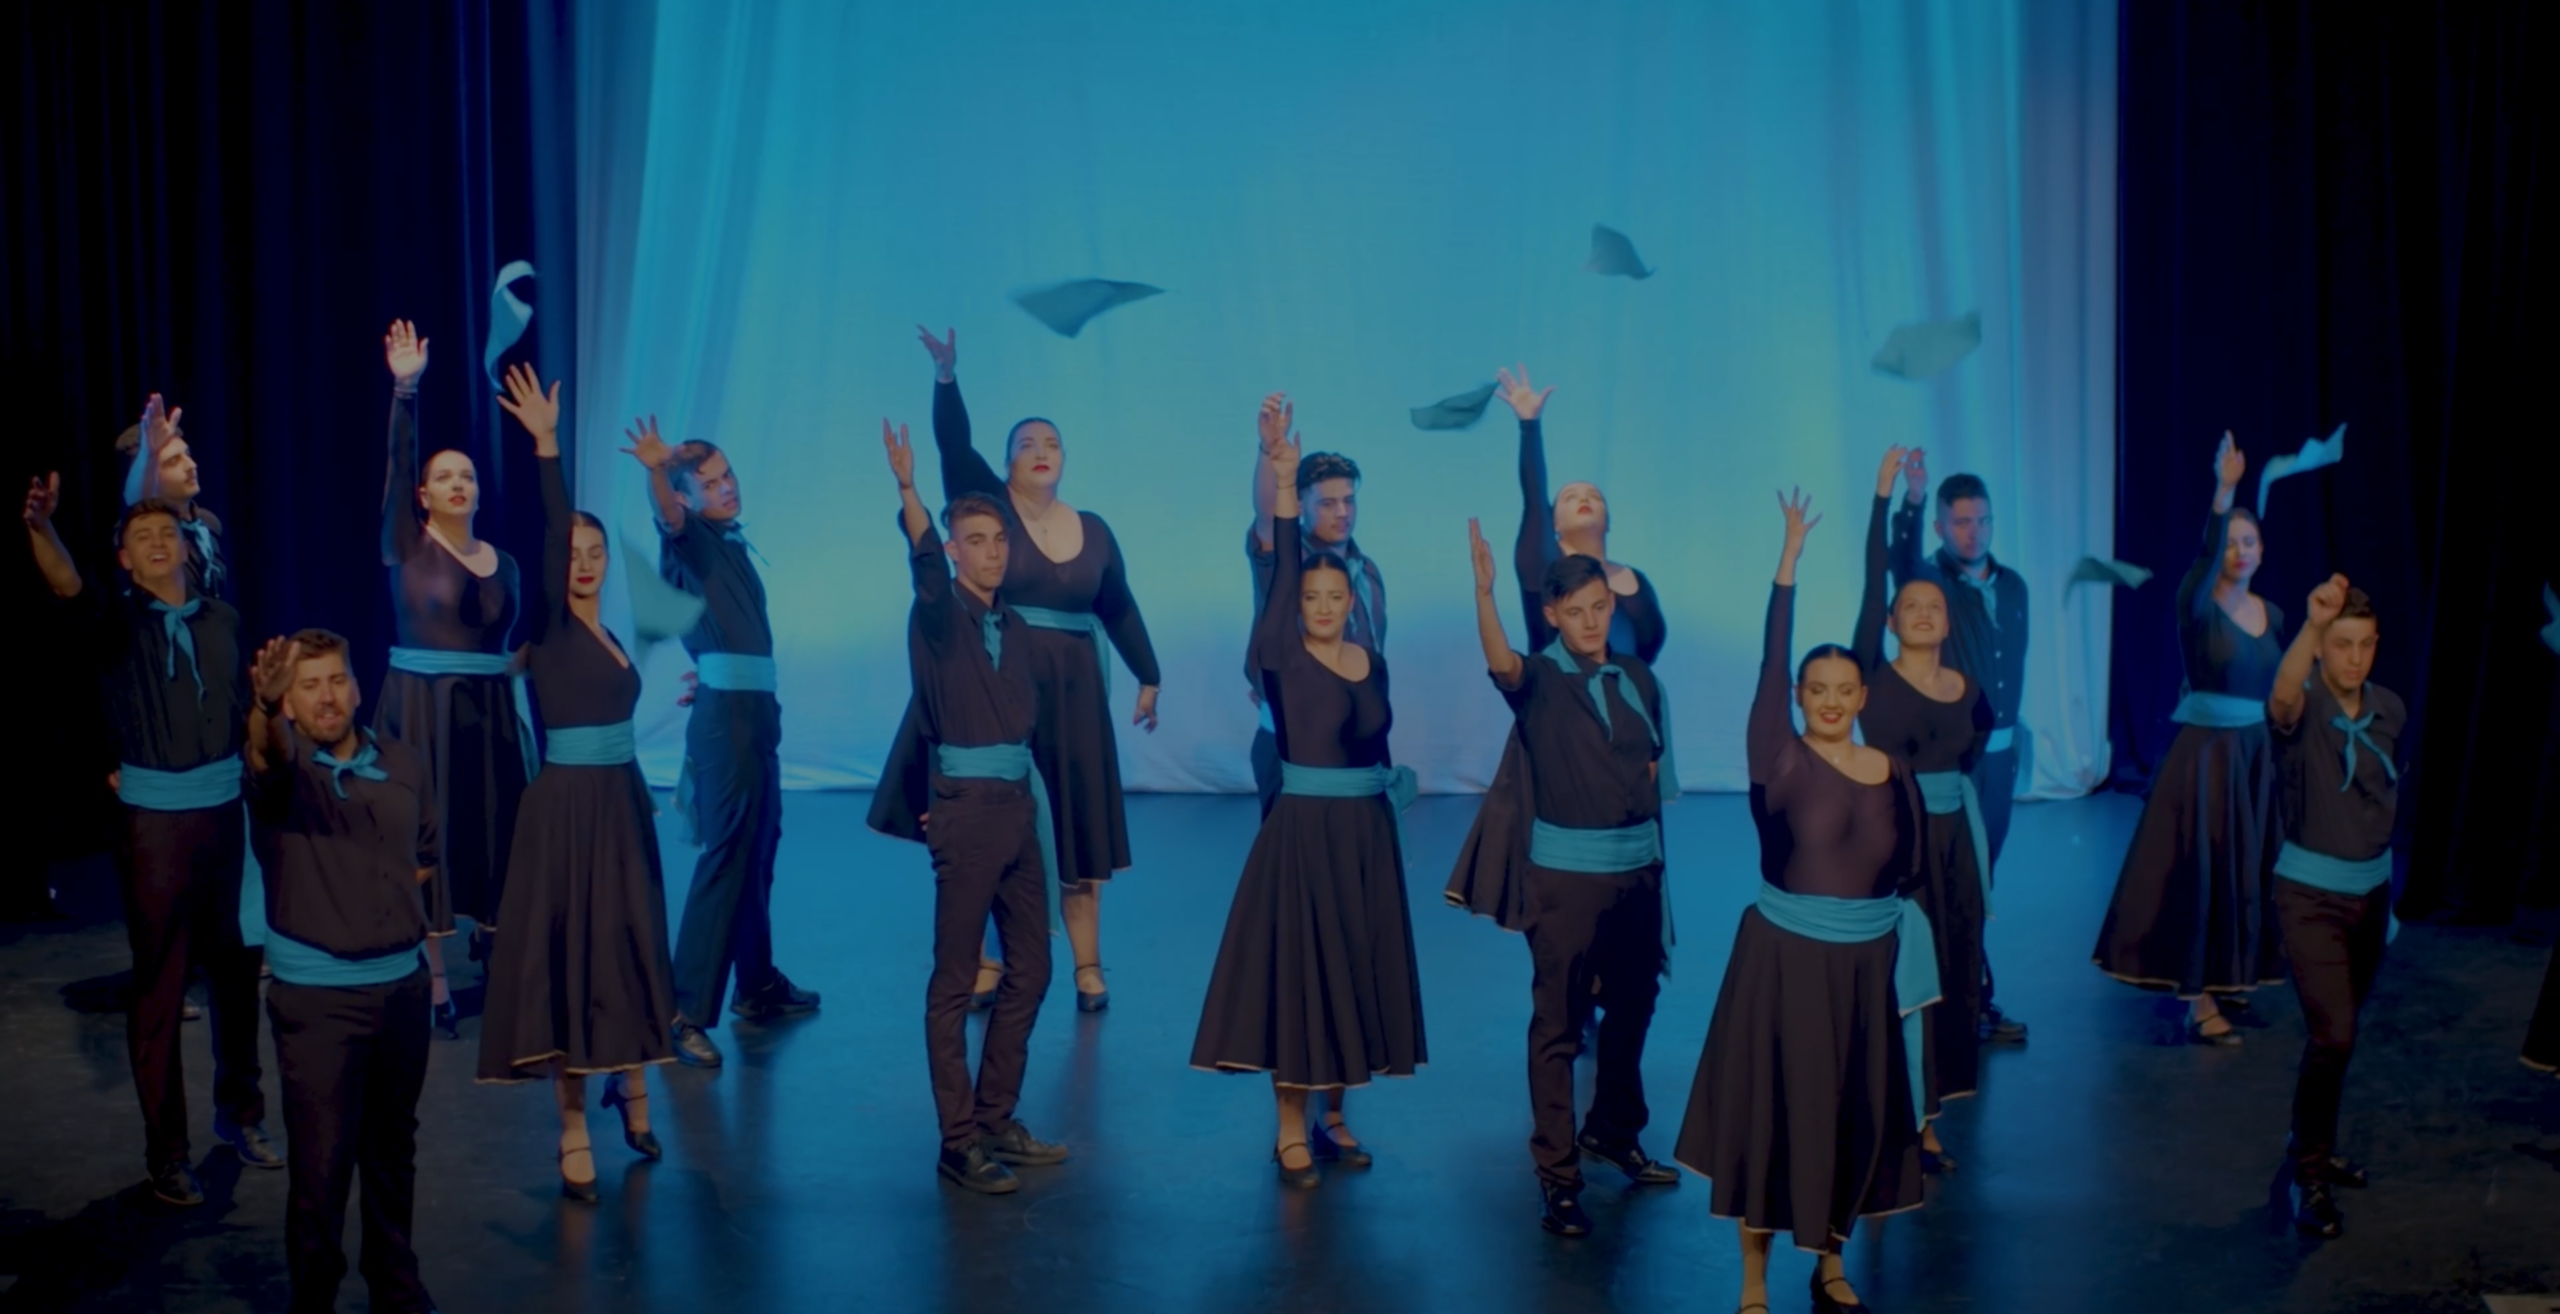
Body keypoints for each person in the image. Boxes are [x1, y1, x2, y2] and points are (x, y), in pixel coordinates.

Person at [1674, 489, 1931, 1314]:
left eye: (1843, 688)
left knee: (1851, 1110)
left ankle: (1829, 1261)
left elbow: (1910, 869)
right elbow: (1770, 661)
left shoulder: (1893, 773)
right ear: (1798, 695)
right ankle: (1754, 1280)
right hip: (1784, 963)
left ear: (1862, 697)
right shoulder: (1779, 758)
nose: (1828, 700)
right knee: (1774, 1111)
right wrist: (1788, 562)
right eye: (1815, 688)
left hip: (1863, 967)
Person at [873, 327, 1162, 1013]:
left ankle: (1087, 965)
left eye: (1051, 442)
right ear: (1006, 464)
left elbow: (1119, 605)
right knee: (995, 818)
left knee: (1077, 822)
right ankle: (986, 957)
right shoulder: (992, 508)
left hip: (1076, 691)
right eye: (1026, 442)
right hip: (1000, 678)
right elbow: (952, 446)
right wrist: (947, 377)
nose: (1040, 450)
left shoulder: (1094, 528)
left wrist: (1149, 675)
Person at [23, 481, 275, 1206]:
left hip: (226, 816)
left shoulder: (224, 619)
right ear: (126, 560)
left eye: (168, 533)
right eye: (143, 538)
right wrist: (41, 528)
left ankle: (241, 1115)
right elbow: (66, 584)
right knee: (161, 987)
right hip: (156, 826)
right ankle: (168, 1153)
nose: (159, 543)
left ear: (188, 548)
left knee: (237, 979)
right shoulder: (117, 620)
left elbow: (244, 714)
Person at [1191, 428, 1425, 1189]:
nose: (1322, 604)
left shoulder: (1370, 651)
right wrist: (1282, 475)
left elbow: (1375, 736)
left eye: (1335, 596)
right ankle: (1291, 1125)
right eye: (1310, 596)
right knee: (1299, 965)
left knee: (1351, 964)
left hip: (1362, 830)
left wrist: (1388, 799)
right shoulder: (1282, 649)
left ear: (1349, 601)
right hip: (1304, 822)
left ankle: (1335, 1112)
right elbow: (1281, 556)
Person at [475, 366, 678, 1202]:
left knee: (625, 946)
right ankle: (571, 1129)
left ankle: (631, 1090)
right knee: (571, 959)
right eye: (573, 553)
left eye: (597, 554)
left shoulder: (611, 636)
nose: (585, 563)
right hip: (566, 813)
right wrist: (547, 446)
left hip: (621, 806)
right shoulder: (553, 627)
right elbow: (555, 524)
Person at [1451, 500, 1681, 1234]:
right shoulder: (1541, 680)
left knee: (1635, 1005)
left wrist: (1655, 874)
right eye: (1574, 611)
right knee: (1558, 1023)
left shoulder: (1639, 678)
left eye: (1598, 607)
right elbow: (1501, 663)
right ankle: (1557, 1174)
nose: (1589, 621)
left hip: (1636, 873)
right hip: (1566, 881)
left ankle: (1612, 1129)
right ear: (1551, 615)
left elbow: (1651, 779)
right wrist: (1485, 594)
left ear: (1611, 605)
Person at [880, 419, 1072, 1195]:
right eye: (976, 541)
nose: (992, 551)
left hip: (1017, 810)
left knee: (1035, 967)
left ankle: (994, 1118)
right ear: (954, 550)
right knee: (955, 981)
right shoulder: (937, 615)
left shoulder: (1015, 627)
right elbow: (925, 567)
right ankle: (957, 1141)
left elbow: (1034, 726)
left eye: (999, 540)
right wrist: (908, 489)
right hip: (967, 812)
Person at [245, 630, 439, 1314]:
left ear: (356, 688)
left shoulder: (404, 762)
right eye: (309, 686)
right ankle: (315, 1301)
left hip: (402, 989)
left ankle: (396, 1286)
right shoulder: (284, 770)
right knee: (321, 1168)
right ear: (290, 702)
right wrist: (262, 712)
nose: (326, 697)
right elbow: (266, 758)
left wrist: (375, 904)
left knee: (392, 1153)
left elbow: (425, 855)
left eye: (336, 680)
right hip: (320, 1004)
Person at [625, 412, 817, 1070]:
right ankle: (683, 1011)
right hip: (728, 721)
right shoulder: (692, 538)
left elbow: (724, 628)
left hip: (752, 712)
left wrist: (709, 666)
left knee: (760, 849)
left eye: (727, 475)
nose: (726, 487)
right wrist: (658, 470)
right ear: (685, 497)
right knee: (728, 853)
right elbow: (668, 518)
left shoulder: (728, 542)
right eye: (708, 483)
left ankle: (756, 985)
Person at [2093, 434, 2286, 1042]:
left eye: (2248, 541)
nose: (2239, 551)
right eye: (2230, 541)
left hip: (2255, 756)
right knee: (2203, 874)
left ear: (2262, 549)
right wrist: (2224, 491)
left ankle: (2232, 976)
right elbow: (2204, 558)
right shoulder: (2196, 605)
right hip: (2207, 758)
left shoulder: (2273, 615)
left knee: (2245, 871)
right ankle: (2198, 1000)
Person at [370, 319, 529, 1035]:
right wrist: (406, 391)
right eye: (444, 477)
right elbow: (397, 462)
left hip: (489, 716)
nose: (457, 484)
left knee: (495, 830)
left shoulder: (507, 563)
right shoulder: (406, 544)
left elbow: (514, 643)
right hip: (422, 711)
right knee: (426, 832)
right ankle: (433, 977)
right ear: (424, 494)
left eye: (467, 475)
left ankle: (496, 948)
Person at [1856, 448, 1993, 1170]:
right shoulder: (1873, 679)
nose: (1922, 613)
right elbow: (1875, 572)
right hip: (1897, 840)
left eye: (1933, 606)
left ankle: (1928, 1112)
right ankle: (1894, 1113)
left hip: (1954, 844)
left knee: (1953, 969)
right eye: (1909, 606)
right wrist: (1886, 497)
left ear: (1946, 621)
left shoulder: (1968, 688)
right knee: (1901, 974)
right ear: (1890, 620)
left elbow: (1974, 748)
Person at [2264, 576, 2403, 1238]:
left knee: (2337, 1043)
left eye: (2365, 644)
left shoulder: (2390, 708)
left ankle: (2310, 1145)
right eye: (2342, 644)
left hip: (2371, 896)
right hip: (2310, 897)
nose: (2354, 658)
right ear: (2322, 647)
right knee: (2334, 1035)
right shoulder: (2306, 706)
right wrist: (2313, 624)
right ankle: (2310, 1175)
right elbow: (2281, 694)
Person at [1890, 452, 2030, 1044]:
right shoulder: (1934, 584)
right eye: (1962, 522)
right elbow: (1901, 561)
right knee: (1943, 877)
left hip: (1999, 757)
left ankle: (1966, 994)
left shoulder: (2014, 585)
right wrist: (1912, 497)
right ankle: (1952, 1000)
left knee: (1980, 877)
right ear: (1941, 526)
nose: (1975, 532)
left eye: (1983, 520)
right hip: (1951, 759)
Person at [1242, 392, 1385, 816]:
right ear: (1300, 505)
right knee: (1294, 855)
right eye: (1327, 502)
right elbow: (1267, 517)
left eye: (1349, 500)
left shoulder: (1367, 571)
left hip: (1360, 744)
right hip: (1292, 744)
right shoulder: (1286, 561)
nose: (1342, 512)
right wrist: (1269, 451)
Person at [1503, 365, 1665, 664]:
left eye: (1594, 496)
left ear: (1609, 521)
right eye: (1570, 497)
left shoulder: (1638, 580)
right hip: (1560, 694)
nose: (1584, 499)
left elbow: (1646, 655)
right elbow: (1534, 498)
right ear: (1553, 522)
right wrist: (1529, 425)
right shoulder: (1543, 565)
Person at [119, 392, 229, 600]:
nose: (191, 466)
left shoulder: (208, 523)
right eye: (173, 461)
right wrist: (148, 454)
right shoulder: (138, 530)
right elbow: (136, 500)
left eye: (187, 455)